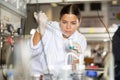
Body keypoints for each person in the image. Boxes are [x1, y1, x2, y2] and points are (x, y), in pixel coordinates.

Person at [30, 4, 87, 76]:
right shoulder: (49, 29)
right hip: (40, 76)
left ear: (79, 22)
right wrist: (40, 28)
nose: (68, 27)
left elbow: (75, 71)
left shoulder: (80, 39)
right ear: (60, 20)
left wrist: (75, 57)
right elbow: (32, 51)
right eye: (64, 22)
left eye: (73, 23)